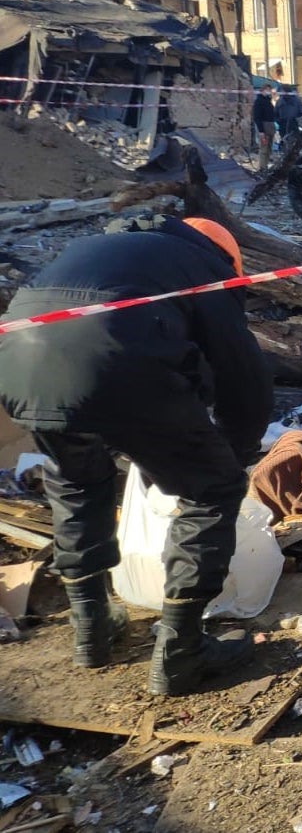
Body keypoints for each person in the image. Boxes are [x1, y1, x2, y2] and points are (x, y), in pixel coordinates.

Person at [0, 217, 273, 695]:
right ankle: (182, 649)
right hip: (117, 358)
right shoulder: (206, 267)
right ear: (229, 259)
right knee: (212, 491)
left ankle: (92, 626)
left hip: (19, 363)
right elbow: (243, 378)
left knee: (76, 480)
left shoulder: (107, 247)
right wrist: (234, 455)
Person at [251, 83, 276, 172]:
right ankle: (262, 168)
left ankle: (266, 166)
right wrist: (261, 131)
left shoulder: (268, 101)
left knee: (269, 148)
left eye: (269, 90)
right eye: (267, 90)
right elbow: (257, 117)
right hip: (263, 127)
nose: (268, 92)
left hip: (270, 126)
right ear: (262, 90)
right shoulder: (258, 101)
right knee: (264, 149)